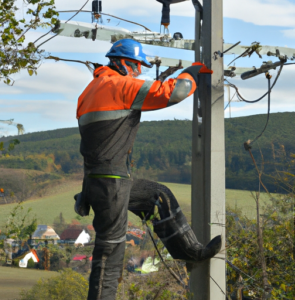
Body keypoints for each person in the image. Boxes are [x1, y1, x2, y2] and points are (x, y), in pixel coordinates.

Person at [74, 38, 222, 300]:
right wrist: (190, 74)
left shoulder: (89, 90)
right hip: (112, 183)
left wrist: (87, 191)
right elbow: (171, 93)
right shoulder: (117, 84)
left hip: (103, 180)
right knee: (110, 251)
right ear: (120, 63)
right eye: (135, 65)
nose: (139, 71)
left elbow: (91, 145)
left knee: (158, 196)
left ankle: (191, 252)